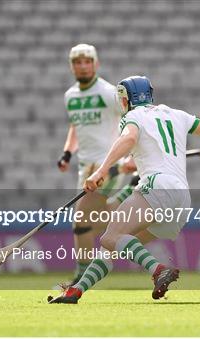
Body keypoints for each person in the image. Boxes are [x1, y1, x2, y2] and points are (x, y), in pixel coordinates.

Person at [49, 75, 200, 303]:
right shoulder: (178, 115)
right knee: (114, 244)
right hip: (182, 199)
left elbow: (128, 139)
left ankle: (158, 270)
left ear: (126, 99)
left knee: (110, 237)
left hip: (156, 187)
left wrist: (100, 172)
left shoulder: (132, 117)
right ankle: (76, 291)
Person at [58, 43, 135, 285]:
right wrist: (67, 153)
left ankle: (81, 276)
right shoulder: (70, 96)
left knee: (81, 221)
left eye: (87, 61)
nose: (83, 66)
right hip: (85, 167)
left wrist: (131, 154)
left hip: (107, 165)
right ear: (72, 67)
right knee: (97, 220)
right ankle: (131, 205)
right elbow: (76, 127)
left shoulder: (108, 92)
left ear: (96, 64)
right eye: (78, 63)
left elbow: (132, 119)